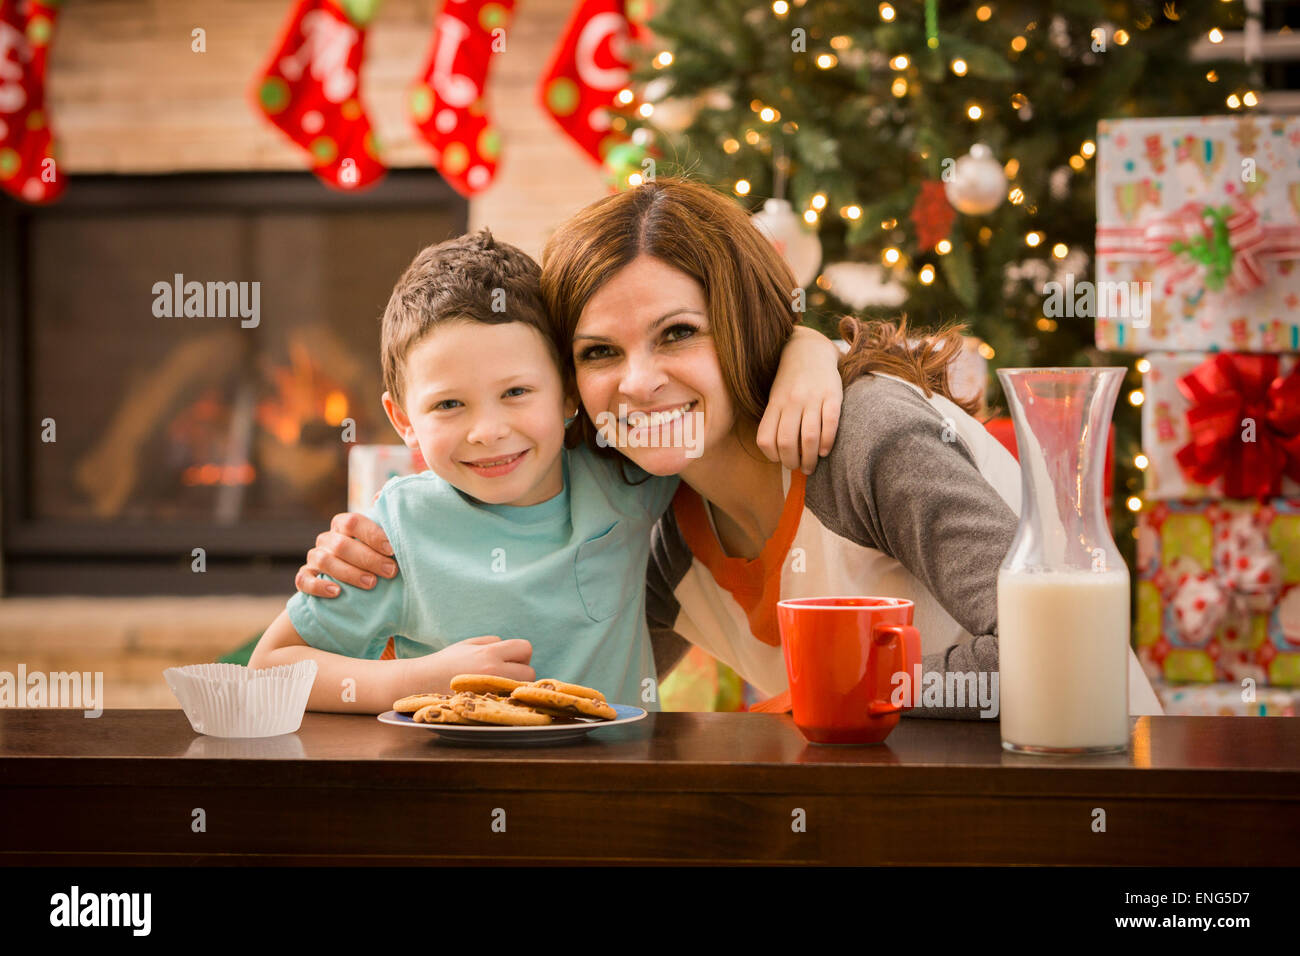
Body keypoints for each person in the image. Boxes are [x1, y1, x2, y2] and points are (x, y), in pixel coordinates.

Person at [300, 178, 1161, 720]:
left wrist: (822, 705)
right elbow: (568, 679)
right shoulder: (652, 520)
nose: (637, 383)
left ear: (749, 324)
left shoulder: (866, 437)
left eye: (677, 334)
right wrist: (379, 553)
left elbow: (1058, 656)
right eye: (599, 353)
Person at [251, 227, 843, 714]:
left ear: (568, 395)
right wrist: (424, 678)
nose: (487, 430)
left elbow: (718, 401)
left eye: (515, 392)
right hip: (457, 804)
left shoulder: (624, 474)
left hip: (617, 797)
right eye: (448, 405)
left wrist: (810, 350)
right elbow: (268, 669)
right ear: (403, 420)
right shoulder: (392, 534)